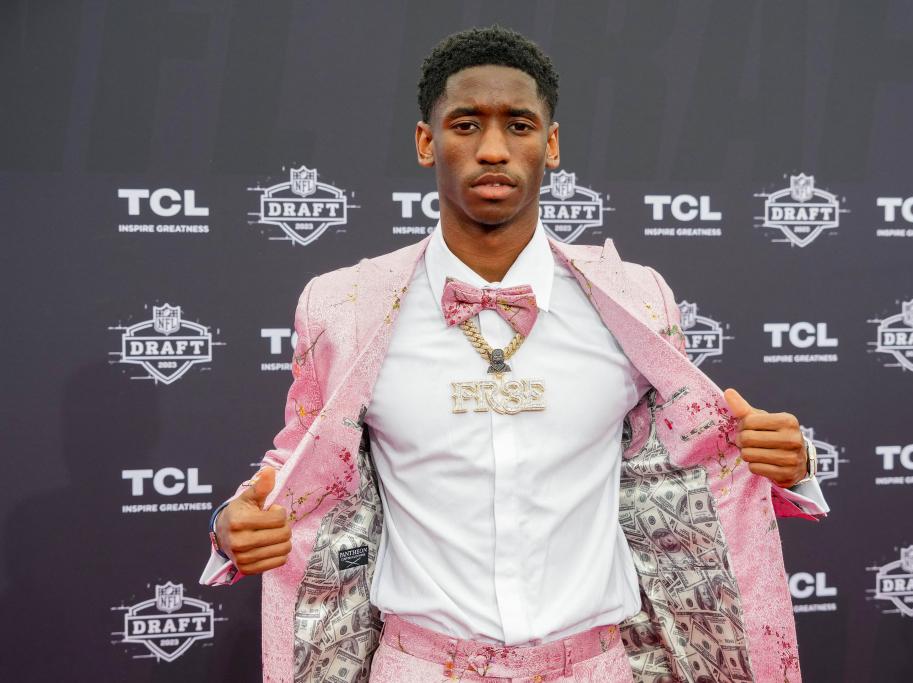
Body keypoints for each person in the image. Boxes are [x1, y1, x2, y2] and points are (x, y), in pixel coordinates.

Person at [201, 26, 828, 683]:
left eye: (519, 125)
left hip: (596, 668)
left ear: (550, 144)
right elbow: (297, 461)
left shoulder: (637, 299)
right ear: (427, 142)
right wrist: (230, 523)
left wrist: (791, 460)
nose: (493, 149)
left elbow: (693, 460)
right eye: (467, 124)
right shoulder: (344, 308)